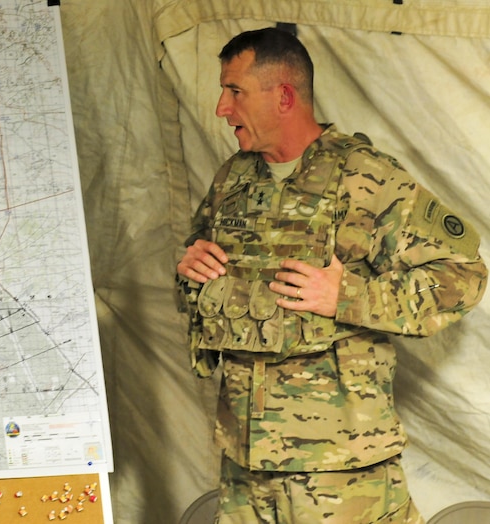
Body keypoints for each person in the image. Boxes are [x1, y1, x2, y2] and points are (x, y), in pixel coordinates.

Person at [176, 28, 487, 523]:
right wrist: (192, 266)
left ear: (283, 96)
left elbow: (463, 276)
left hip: (339, 471)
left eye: (234, 91)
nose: (221, 108)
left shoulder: (365, 176)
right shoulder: (233, 179)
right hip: (245, 464)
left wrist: (350, 296)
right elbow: (200, 267)